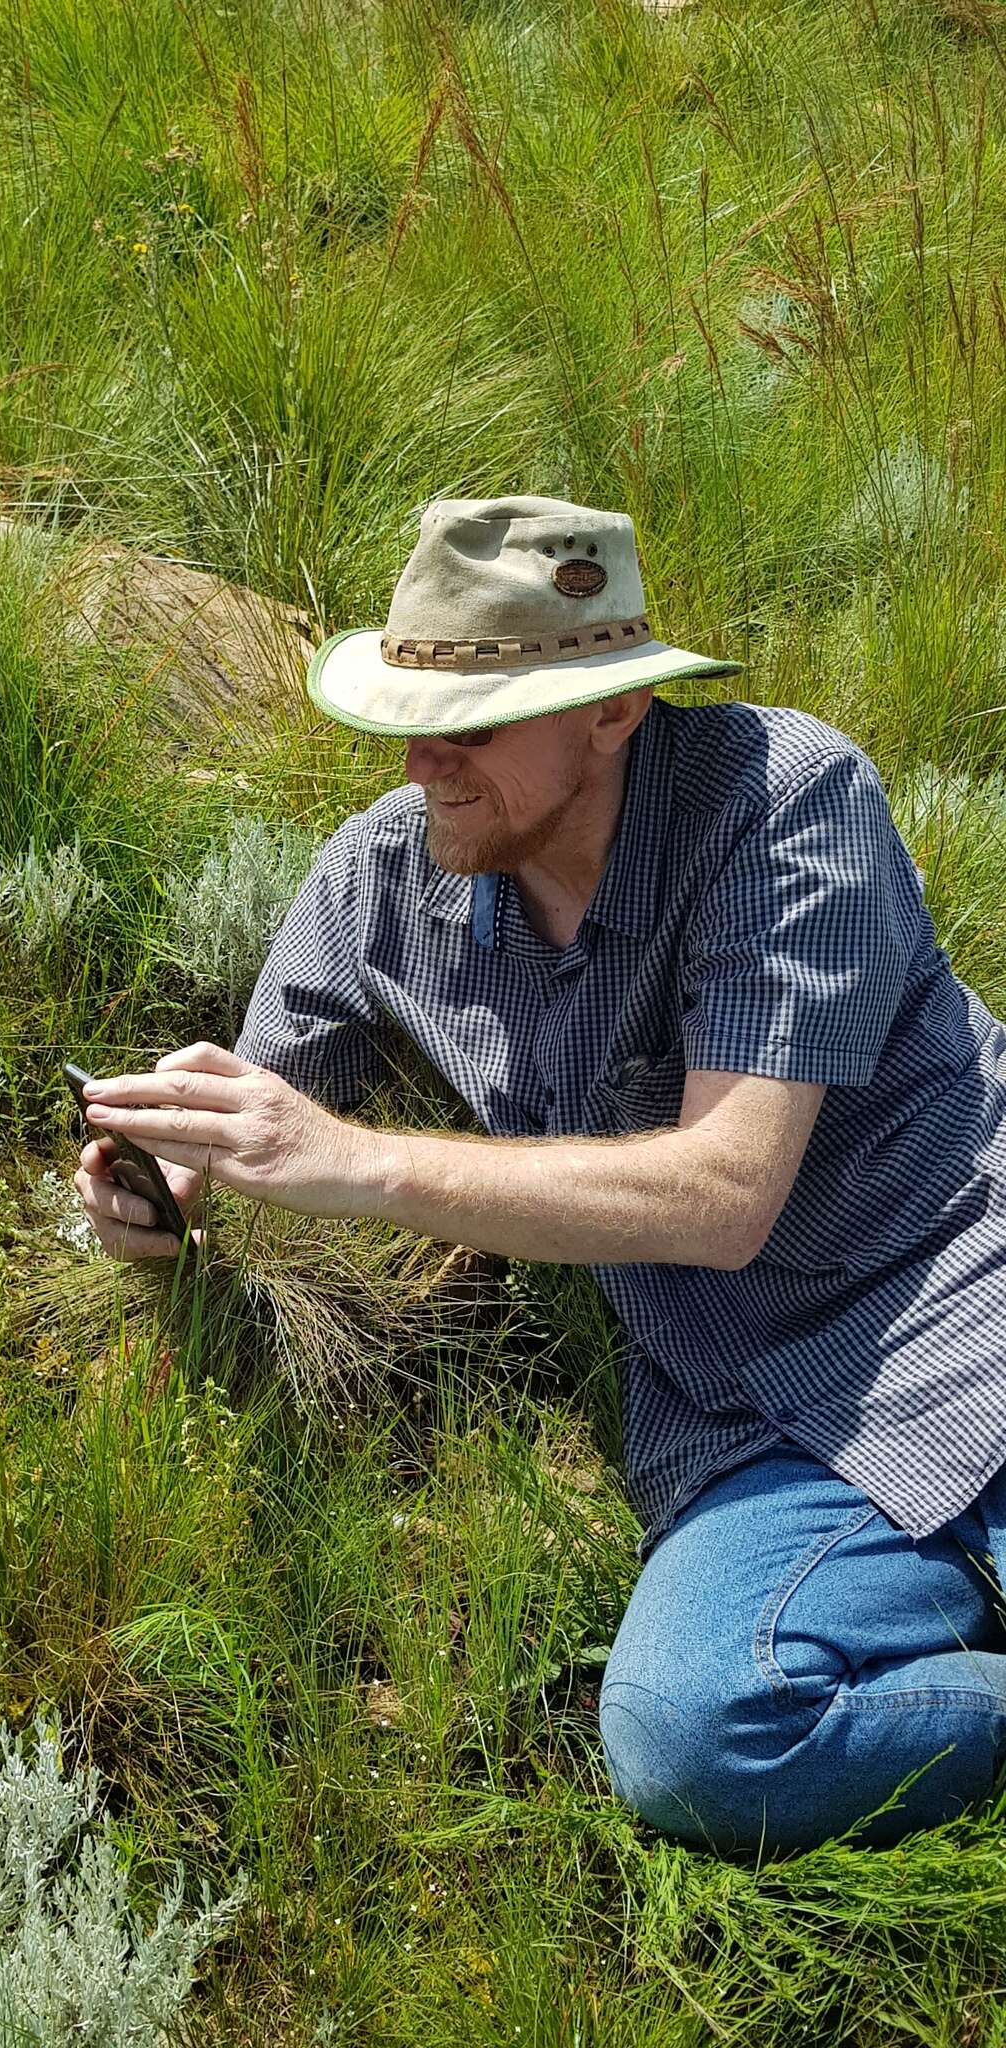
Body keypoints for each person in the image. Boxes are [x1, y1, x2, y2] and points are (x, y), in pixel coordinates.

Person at [73, 493, 1006, 1858]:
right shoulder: (379, 882)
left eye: (471, 728)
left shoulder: (785, 801)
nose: (421, 767)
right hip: (756, 1420)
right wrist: (153, 1185)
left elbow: (727, 1196)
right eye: (405, 719)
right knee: (694, 1741)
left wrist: (360, 1166)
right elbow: (251, 1114)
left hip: (965, 1304)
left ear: (612, 711)